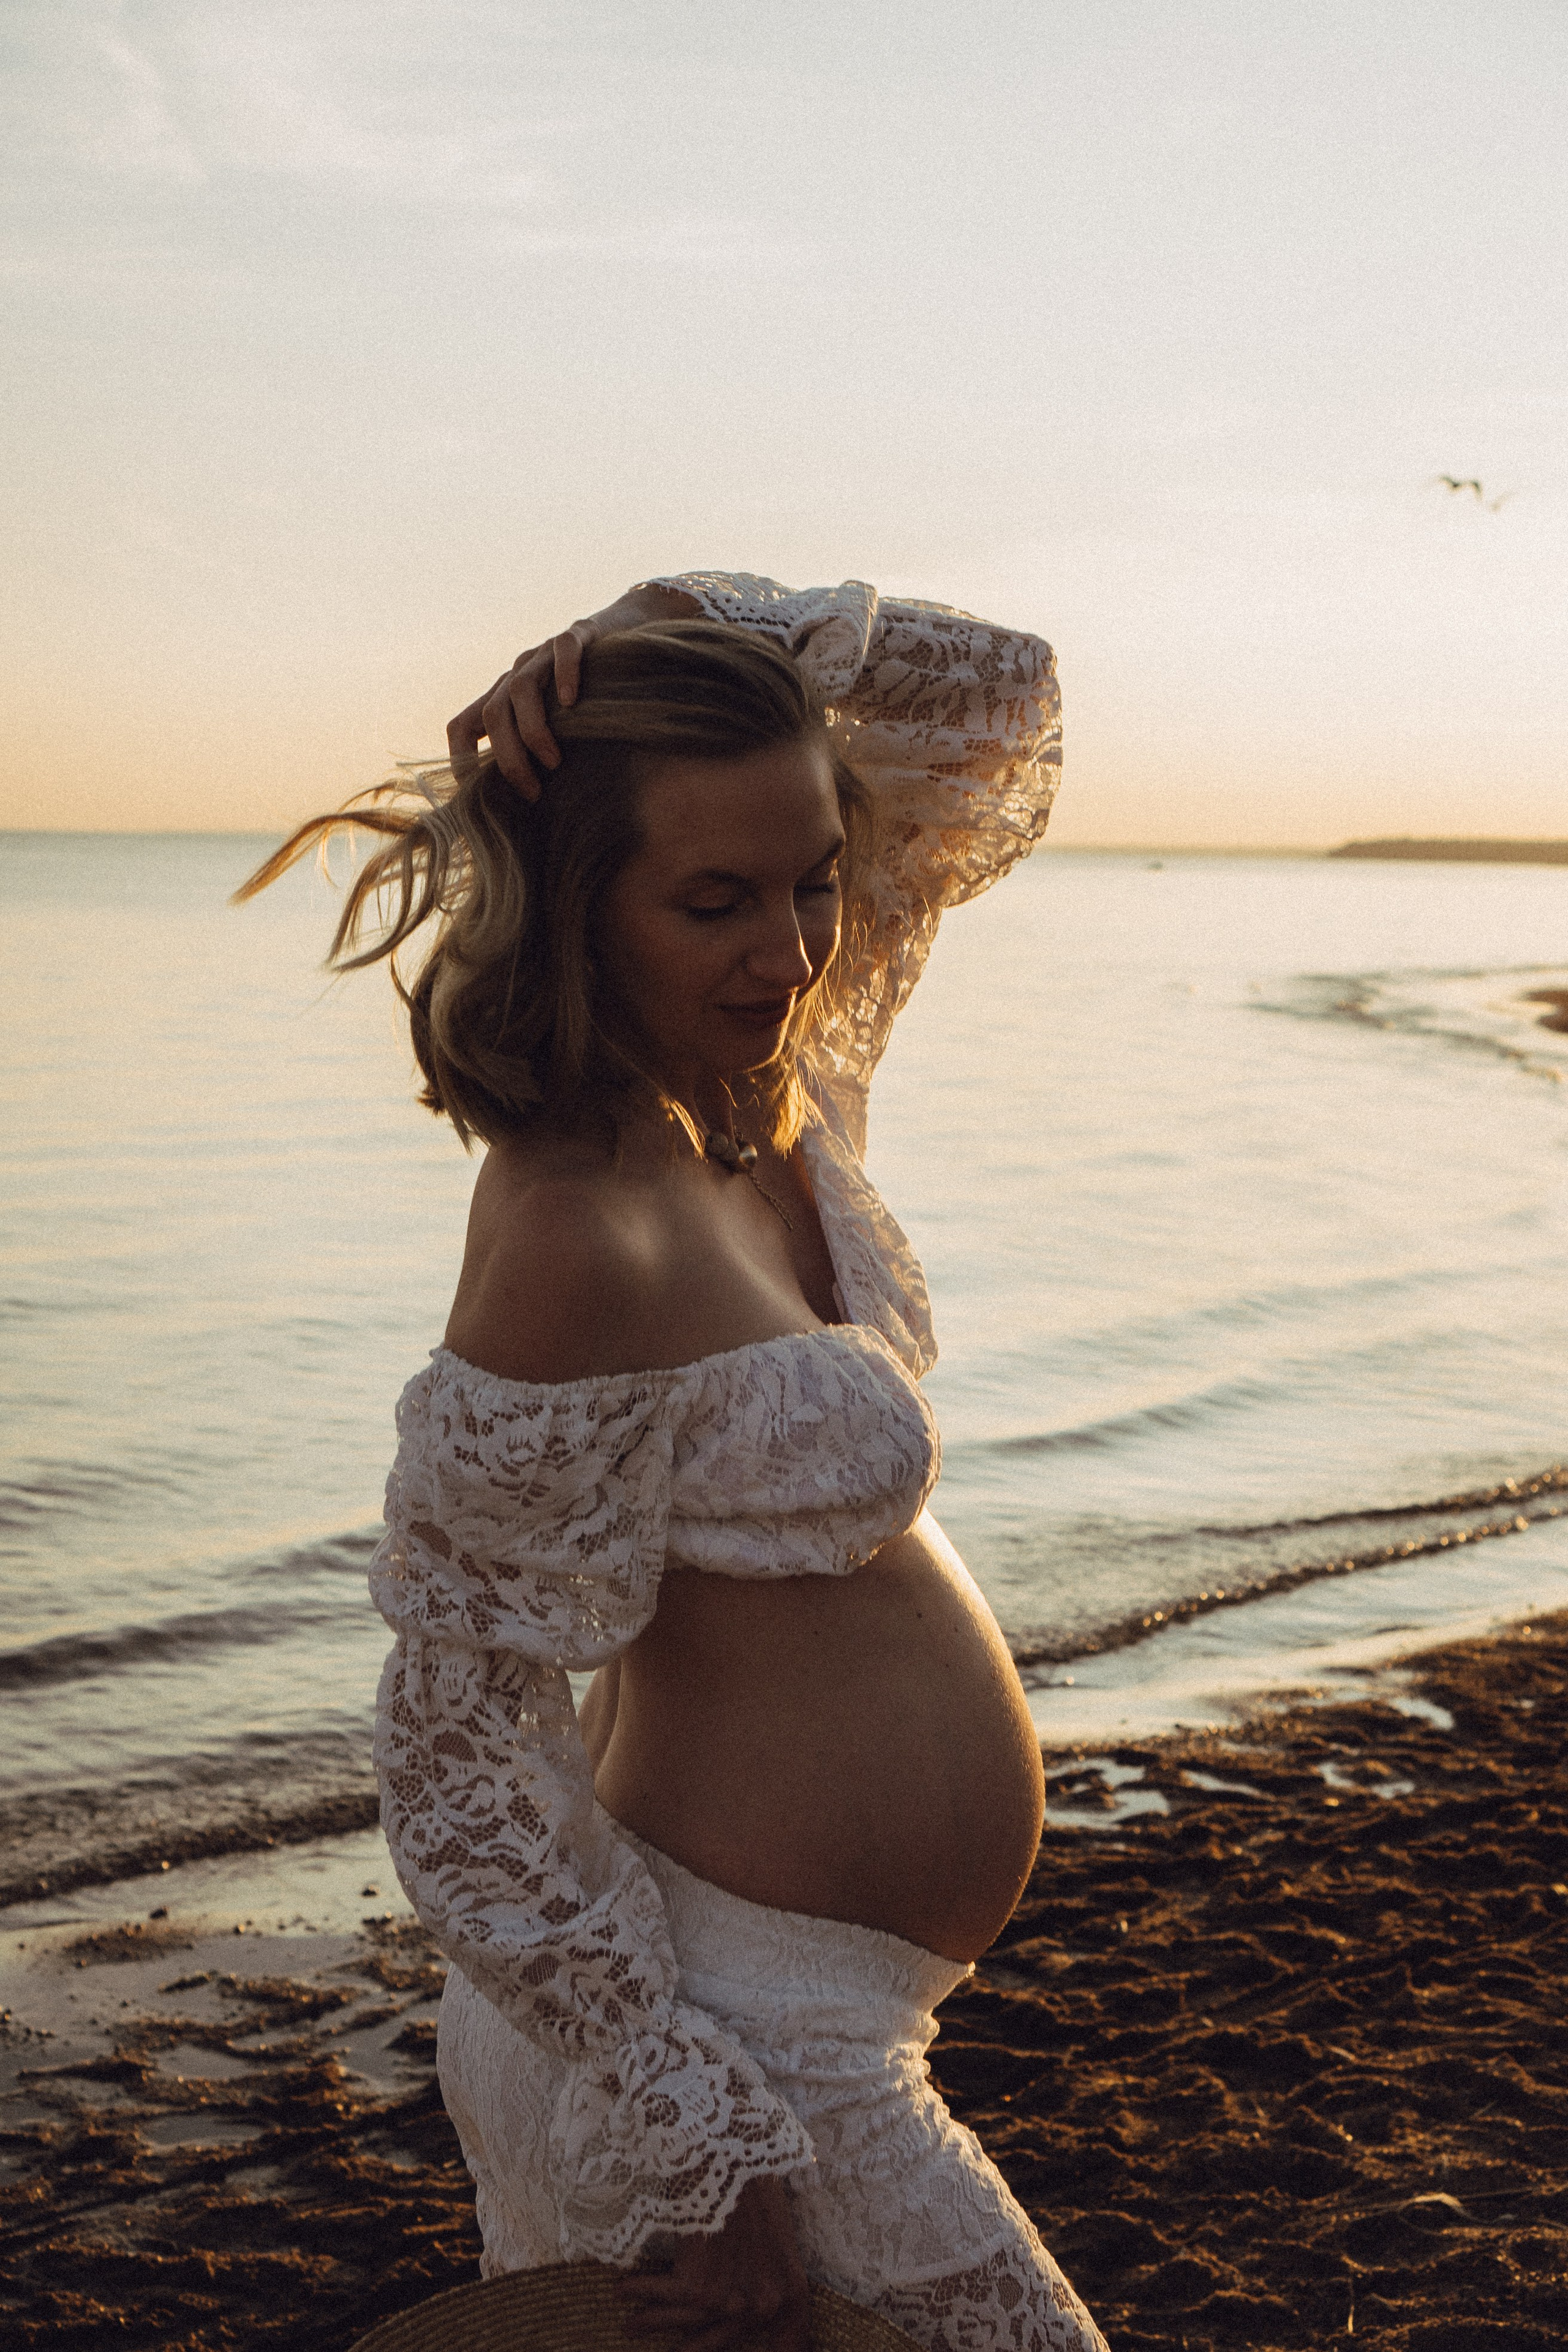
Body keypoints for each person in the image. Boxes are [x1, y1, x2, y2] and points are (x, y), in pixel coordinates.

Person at [241, 573, 1107, 2352]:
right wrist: (693, 2132)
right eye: (714, 900)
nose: (788, 948)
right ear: (578, 914)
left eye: (813, 882)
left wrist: (675, 623)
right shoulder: (577, 1228)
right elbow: (462, 1743)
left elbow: (997, 701)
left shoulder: (776, 1090)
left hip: (814, 2011)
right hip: (724, 2040)